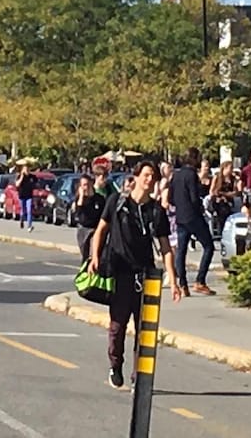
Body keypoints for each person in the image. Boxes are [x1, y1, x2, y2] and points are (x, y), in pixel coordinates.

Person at [90, 161, 181, 391]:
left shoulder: (156, 211)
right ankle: (115, 365)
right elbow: (101, 230)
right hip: (120, 272)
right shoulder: (117, 202)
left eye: (153, 176)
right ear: (137, 177)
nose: (149, 180)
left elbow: (165, 248)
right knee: (118, 326)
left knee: (144, 330)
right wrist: (95, 257)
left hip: (146, 276)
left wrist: (174, 278)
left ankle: (137, 377)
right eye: (146, 175)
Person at [171, 148, 216, 296]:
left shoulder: (176, 175)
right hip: (192, 216)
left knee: (181, 250)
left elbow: (171, 197)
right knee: (208, 246)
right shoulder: (192, 175)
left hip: (180, 216)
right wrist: (200, 210)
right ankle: (200, 280)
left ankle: (183, 284)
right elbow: (194, 197)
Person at [74, 168, 109, 262]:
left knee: (94, 254)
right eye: (84, 185)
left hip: (96, 229)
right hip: (84, 229)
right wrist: (81, 196)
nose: (87, 187)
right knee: (85, 256)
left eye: (88, 184)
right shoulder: (80, 200)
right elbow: (78, 213)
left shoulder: (99, 199)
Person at [16, 165, 36, 232]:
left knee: (29, 210)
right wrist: (21, 176)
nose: (27, 171)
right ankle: (22, 220)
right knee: (23, 210)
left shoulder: (32, 177)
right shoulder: (20, 176)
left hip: (29, 196)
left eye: (28, 169)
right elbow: (17, 184)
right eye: (25, 169)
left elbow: (36, 183)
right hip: (22, 196)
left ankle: (29, 226)